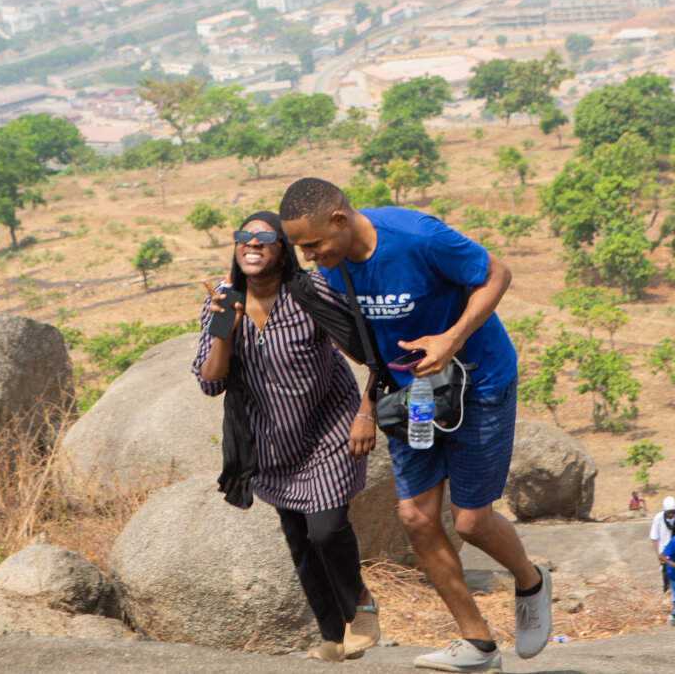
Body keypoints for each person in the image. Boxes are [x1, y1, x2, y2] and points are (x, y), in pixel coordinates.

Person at [279, 178, 550, 672]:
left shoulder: (418, 237)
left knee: (471, 522)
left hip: (478, 383)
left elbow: (497, 274)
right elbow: (380, 344)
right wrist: (367, 404)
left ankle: (530, 582)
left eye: (314, 244)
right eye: (302, 248)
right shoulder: (337, 267)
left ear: (340, 219)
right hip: (416, 397)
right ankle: (477, 643)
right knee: (417, 519)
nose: (310, 257)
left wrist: (451, 337)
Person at [191, 211, 380, 663]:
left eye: (265, 237)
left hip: (330, 428)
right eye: (244, 237)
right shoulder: (222, 299)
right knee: (299, 542)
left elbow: (371, 349)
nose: (252, 244)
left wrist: (366, 413)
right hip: (271, 440)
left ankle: (360, 601)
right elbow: (210, 382)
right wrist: (224, 330)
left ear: (283, 249)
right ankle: (333, 636)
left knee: (325, 529)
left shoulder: (310, 291)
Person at [649, 496, 675, 593]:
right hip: (664, 552)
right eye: (669, 512)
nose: (671, 514)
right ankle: (668, 596)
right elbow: (654, 537)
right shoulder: (659, 518)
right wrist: (658, 555)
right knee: (666, 577)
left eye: (673, 512)